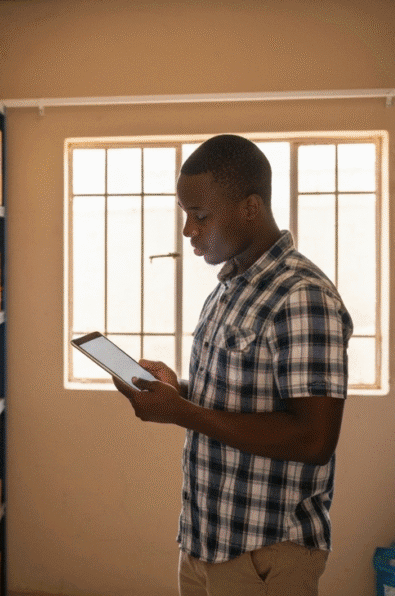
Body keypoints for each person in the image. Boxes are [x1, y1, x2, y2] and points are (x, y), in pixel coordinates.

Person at [114, 134, 352, 596]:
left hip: (264, 553)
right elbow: (238, 401)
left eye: (200, 216)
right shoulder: (230, 286)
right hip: (207, 538)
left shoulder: (302, 295)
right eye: (186, 215)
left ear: (250, 208)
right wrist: (178, 391)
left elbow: (313, 437)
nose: (188, 230)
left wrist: (181, 412)